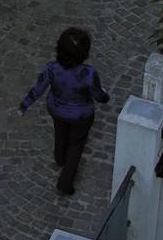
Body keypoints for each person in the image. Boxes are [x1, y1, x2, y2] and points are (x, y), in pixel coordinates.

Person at [18, 26, 110, 196]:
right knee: (76, 145)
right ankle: (64, 183)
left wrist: (24, 105)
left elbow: (37, 89)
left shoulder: (51, 69)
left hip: (57, 110)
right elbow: (98, 94)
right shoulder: (89, 73)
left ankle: (59, 158)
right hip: (81, 115)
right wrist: (105, 98)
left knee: (60, 132)